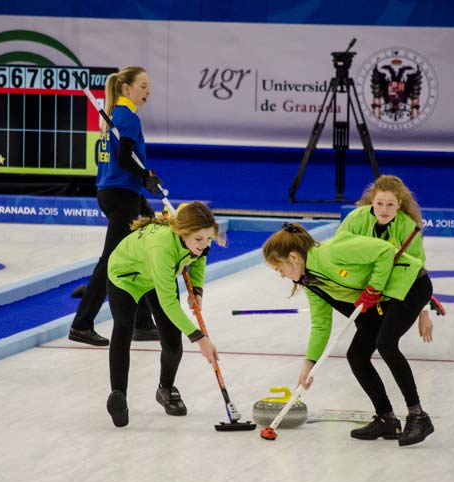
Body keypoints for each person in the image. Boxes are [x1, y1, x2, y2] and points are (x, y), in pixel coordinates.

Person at [262, 222, 434, 446]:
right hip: (384, 297)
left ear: (294, 258)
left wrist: (374, 287)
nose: (282, 276)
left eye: (280, 269)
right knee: (357, 355)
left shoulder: (332, 252)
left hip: (411, 284)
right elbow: (321, 324)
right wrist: (309, 364)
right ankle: (386, 418)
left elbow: (384, 252)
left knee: (386, 343)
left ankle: (418, 416)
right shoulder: (311, 283)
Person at [104, 201, 221, 427]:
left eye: (208, 238)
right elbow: (168, 302)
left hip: (157, 276)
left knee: (172, 341)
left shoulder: (200, 240)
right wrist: (200, 338)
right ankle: (118, 395)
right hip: (126, 276)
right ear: (181, 232)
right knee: (123, 328)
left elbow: (198, 259)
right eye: (199, 239)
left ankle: (165, 388)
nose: (204, 244)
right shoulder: (162, 247)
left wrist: (197, 290)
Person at [69, 65, 162, 347]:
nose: (148, 91)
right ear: (126, 88)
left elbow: (119, 160)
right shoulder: (128, 117)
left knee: (139, 255)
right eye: (143, 85)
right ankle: (81, 324)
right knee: (110, 261)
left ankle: (142, 323)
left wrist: (141, 195)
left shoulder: (115, 114)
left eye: (148, 85)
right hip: (120, 195)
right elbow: (125, 158)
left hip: (114, 191)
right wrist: (146, 176)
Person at [337, 175, 434, 342]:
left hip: (392, 281)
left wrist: (423, 310)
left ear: (399, 204)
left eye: (390, 205)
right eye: (379, 203)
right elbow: (337, 251)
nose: (384, 210)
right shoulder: (355, 219)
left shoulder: (408, 227)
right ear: (372, 200)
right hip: (360, 278)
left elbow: (417, 273)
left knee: (382, 334)